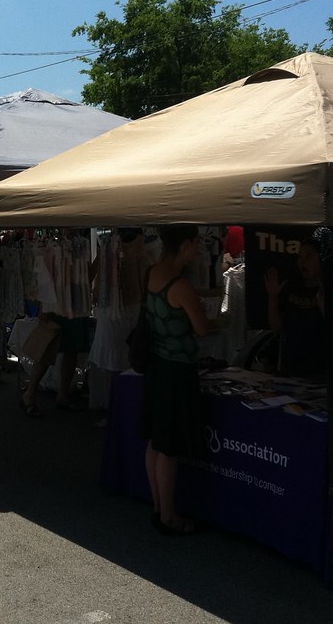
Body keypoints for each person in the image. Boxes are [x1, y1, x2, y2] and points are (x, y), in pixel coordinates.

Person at [142, 224, 212, 535]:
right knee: (168, 446)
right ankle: (169, 516)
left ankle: (160, 507)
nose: (198, 249)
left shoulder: (152, 272)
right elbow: (202, 329)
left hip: (157, 365)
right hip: (176, 369)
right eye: (196, 243)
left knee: (157, 442)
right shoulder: (180, 284)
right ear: (184, 245)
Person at [264, 231, 333, 379]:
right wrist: (272, 297)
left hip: (323, 371)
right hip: (292, 369)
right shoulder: (293, 287)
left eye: (309, 256)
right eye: (300, 256)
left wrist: (326, 310)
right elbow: (278, 329)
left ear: (323, 259)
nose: (302, 261)